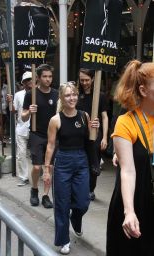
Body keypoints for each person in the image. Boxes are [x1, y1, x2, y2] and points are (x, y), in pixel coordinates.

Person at [44, 82, 99, 254]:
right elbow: (50, 146)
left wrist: (94, 129)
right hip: (63, 162)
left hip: (81, 161)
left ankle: (76, 218)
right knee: (61, 204)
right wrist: (47, 169)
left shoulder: (84, 116)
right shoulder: (55, 120)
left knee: (83, 201)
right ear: (61, 97)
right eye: (67, 95)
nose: (72, 98)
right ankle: (63, 240)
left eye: (74, 94)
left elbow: (90, 140)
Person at [106, 60, 154, 256]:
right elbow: (127, 171)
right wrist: (129, 211)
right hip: (135, 203)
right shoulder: (125, 123)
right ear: (143, 91)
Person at [22, 64, 58, 208]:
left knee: (49, 167)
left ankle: (45, 195)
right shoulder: (31, 94)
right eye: (45, 76)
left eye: (50, 76)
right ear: (38, 77)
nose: (48, 79)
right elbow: (23, 117)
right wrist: (29, 111)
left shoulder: (56, 94)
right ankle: (34, 189)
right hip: (36, 133)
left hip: (52, 135)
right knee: (37, 167)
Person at [77, 68, 109, 200]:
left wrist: (105, 138)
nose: (84, 82)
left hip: (95, 134)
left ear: (93, 79)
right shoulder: (76, 94)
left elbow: (105, 116)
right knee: (79, 162)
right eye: (82, 80)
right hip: (78, 133)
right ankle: (80, 188)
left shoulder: (99, 96)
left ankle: (90, 189)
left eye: (87, 80)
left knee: (94, 165)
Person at [7, 71, 32, 186]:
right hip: (22, 128)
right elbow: (13, 110)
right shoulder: (18, 95)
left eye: (31, 79)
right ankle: (24, 177)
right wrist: (10, 102)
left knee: (37, 154)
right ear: (23, 83)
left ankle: (39, 171)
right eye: (27, 80)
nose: (30, 82)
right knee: (21, 153)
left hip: (37, 129)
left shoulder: (39, 93)